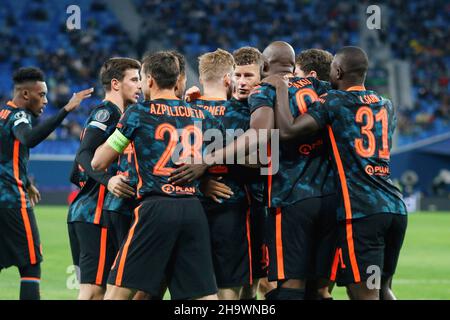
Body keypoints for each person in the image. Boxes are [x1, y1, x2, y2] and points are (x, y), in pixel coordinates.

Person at [272, 46, 408, 300]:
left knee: (364, 294)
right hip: (395, 207)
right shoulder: (386, 105)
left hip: (362, 212)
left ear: (338, 71)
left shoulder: (334, 102)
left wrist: (281, 89)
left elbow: (289, 130)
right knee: (384, 289)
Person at [91, 51, 218, 300]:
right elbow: (223, 153)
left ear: (149, 80)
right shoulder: (203, 115)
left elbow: (98, 162)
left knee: (117, 292)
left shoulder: (138, 114)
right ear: (178, 79)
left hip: (155, 207)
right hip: (194, 209)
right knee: (203, 297)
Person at [0, 67, 92, 300]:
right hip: (11, 201)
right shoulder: (20, 116)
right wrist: (66, 110)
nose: (46, 100)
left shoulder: (2, 114)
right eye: (41, 95)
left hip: (9, 192)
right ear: (25, 95)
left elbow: (5, 157)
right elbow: (29, 139)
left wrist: (27, 180)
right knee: (31, 264)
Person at [68, 57, 141, 300]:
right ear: (116, 84)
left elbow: (74, 173)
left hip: (89, 214)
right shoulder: (107, 113)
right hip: (95, 215)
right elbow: (83, 154)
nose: (139, 85)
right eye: (134, 79)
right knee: (93, 291)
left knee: (100, 291)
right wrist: (108, 180)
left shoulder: (121, 114)